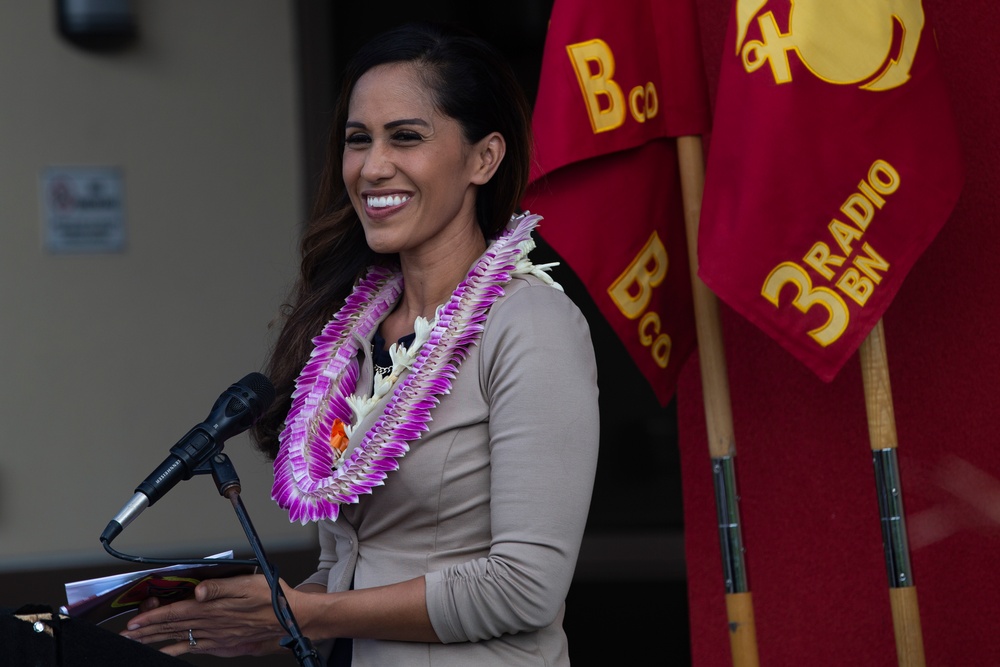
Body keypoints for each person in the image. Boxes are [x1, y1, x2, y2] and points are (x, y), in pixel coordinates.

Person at [121, 21, 600, 666]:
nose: (373, 167)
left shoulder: (532, 325)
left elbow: (525, 589)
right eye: (357, 140)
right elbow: (348, 571)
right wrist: (247, 617)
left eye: (407, 137)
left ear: (484, 158)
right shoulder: (353, 333)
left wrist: (305, 612)